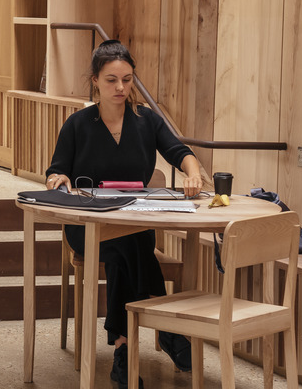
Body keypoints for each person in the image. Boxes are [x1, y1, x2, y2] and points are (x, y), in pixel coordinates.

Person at [45, 40, 203, 389]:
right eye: (111, 80)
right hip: (89, 227)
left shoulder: (146, 120)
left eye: (127, 80)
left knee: (128, 246)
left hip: (134, 223)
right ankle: (167, 330)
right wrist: (59, 180)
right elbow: (56, 171)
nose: (121, 87)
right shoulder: (78, 124)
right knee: (131, 247)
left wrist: (193, 173)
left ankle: (123, 350)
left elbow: (180, 152)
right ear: (95, 81)